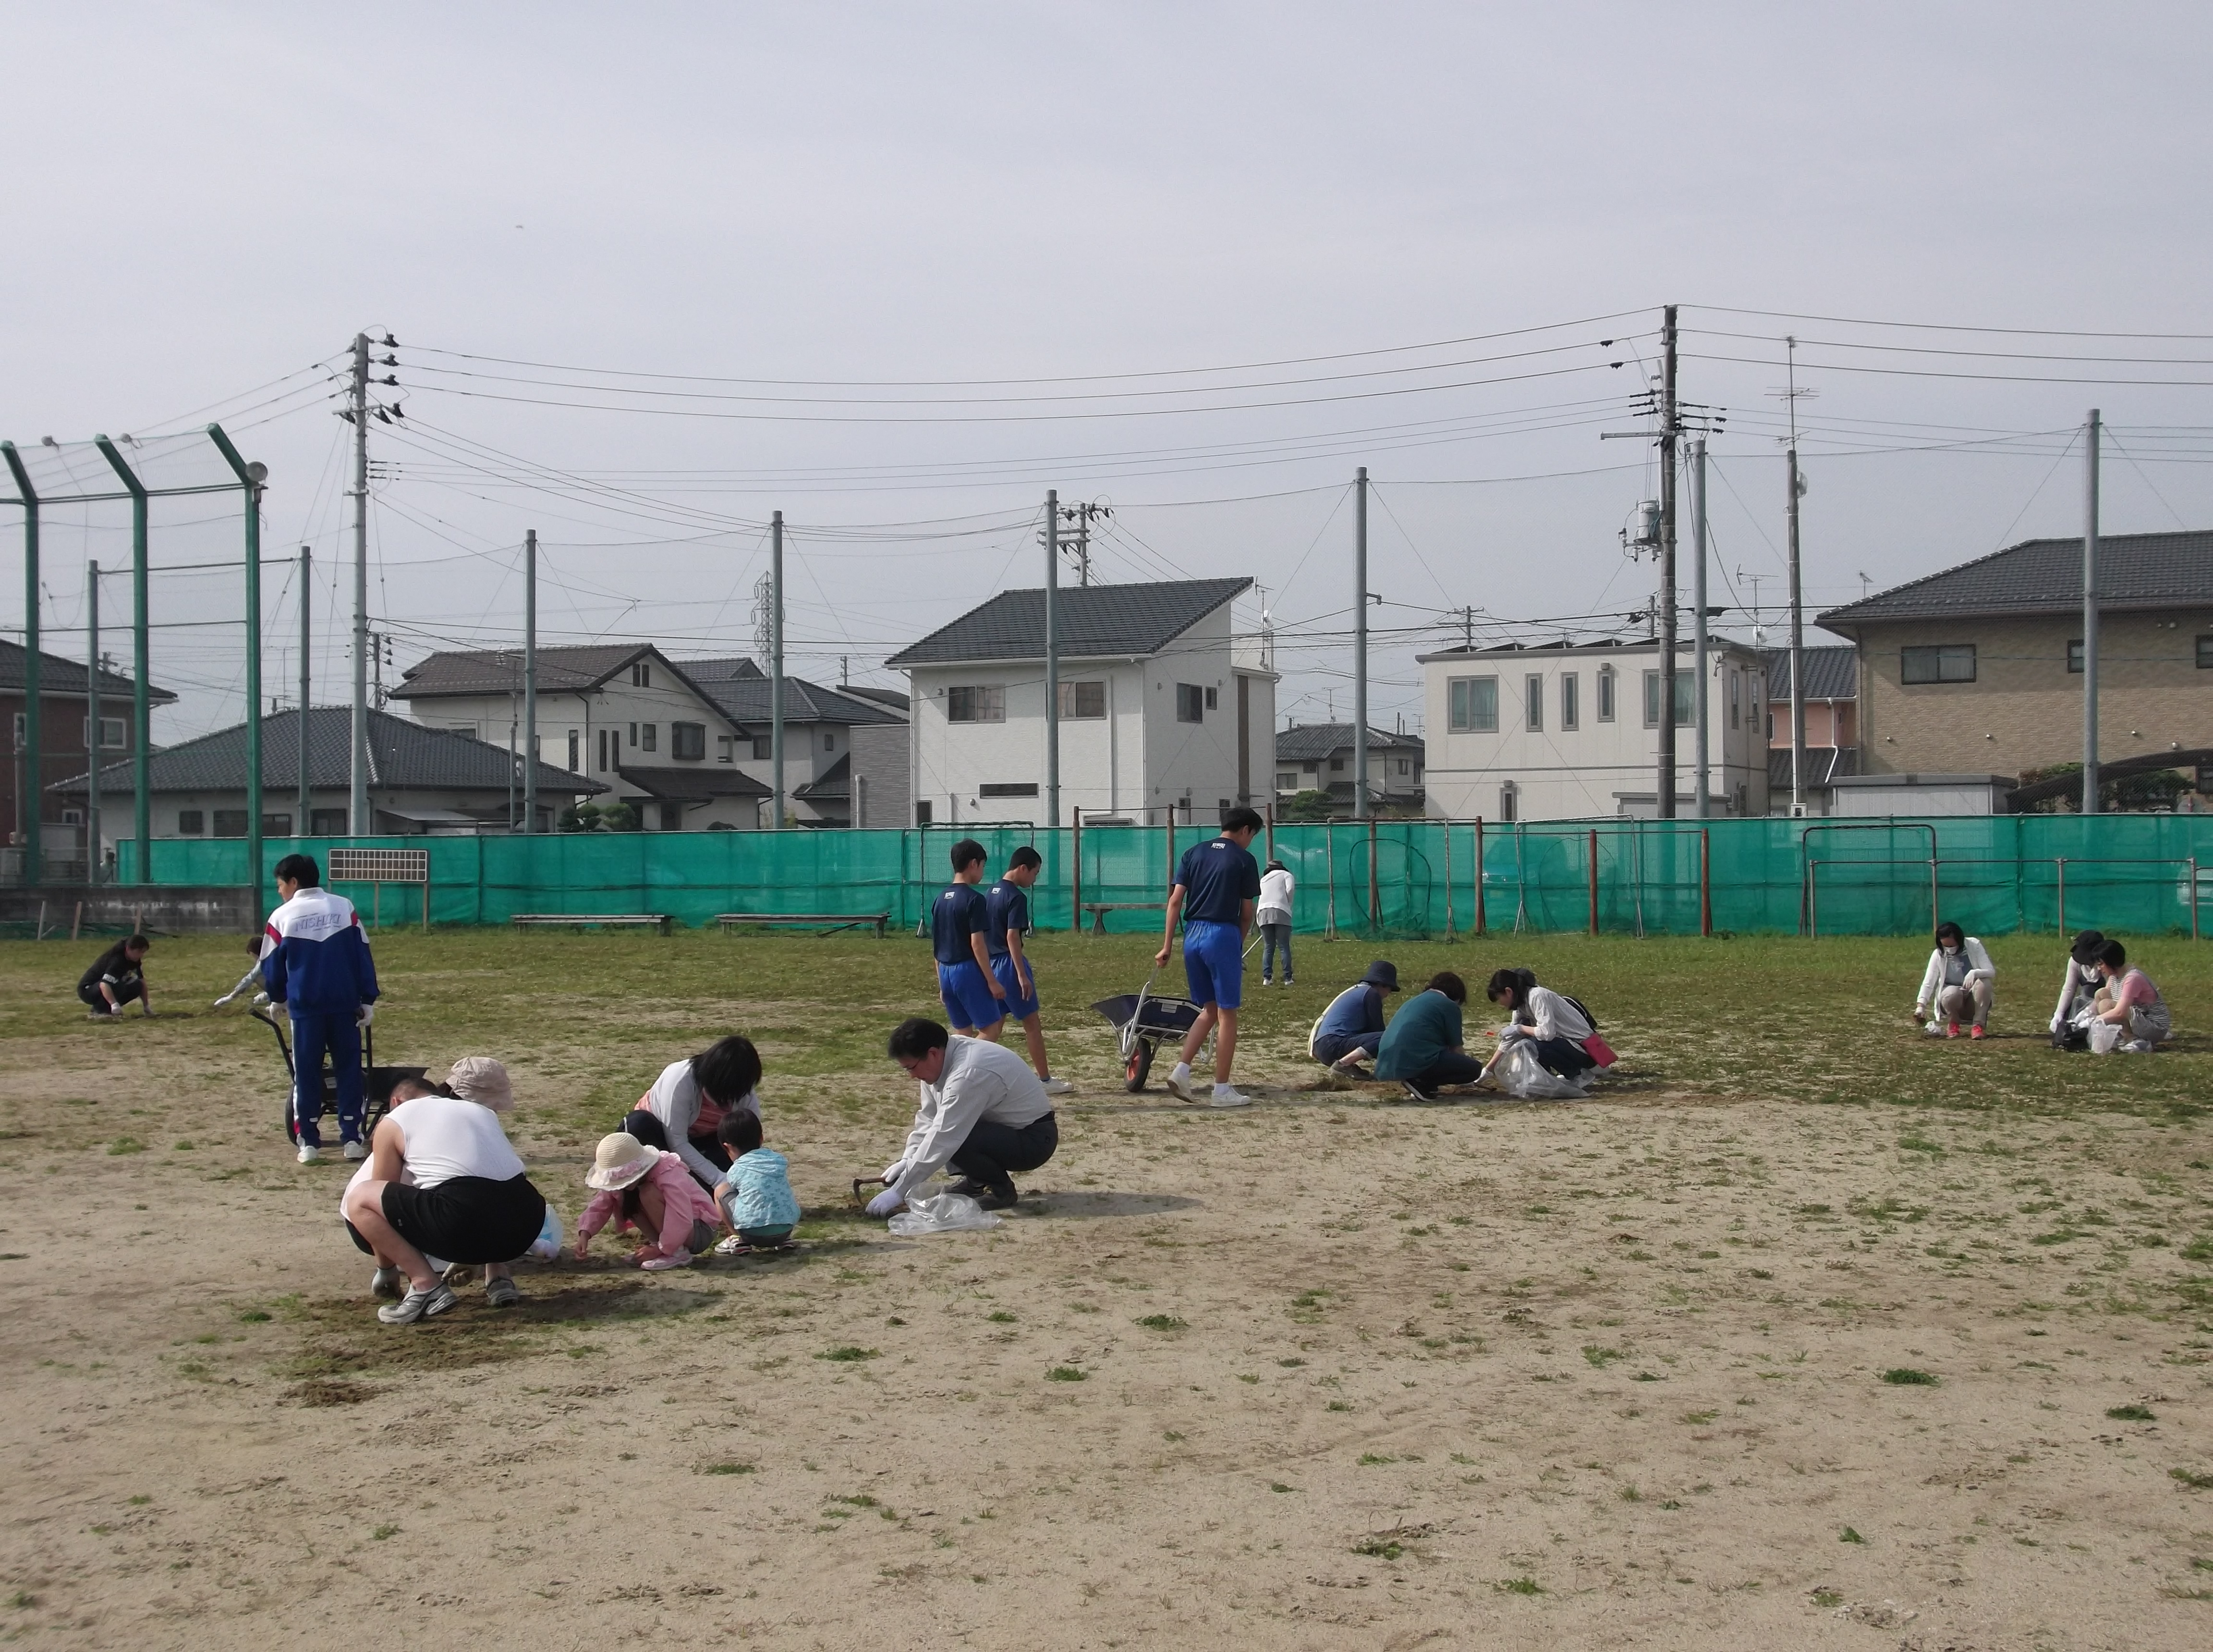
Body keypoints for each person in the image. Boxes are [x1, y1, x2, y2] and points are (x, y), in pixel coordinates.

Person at [340, 1062, 547, 1324]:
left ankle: (425, 1285)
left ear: (395, 1102)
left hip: (462, 1220)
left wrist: (387, 1269)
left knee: (361, 1198)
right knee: (490, 1188)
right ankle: (499, 1276)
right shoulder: (482, 1112)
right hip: (527, 1224)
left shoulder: (394, 1121)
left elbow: (380, 1196)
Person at [865, 1017, 1057, 1215]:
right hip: (1005, 1131)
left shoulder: (969, 1074)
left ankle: (1001, 1191)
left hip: (1035, 1140)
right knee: (953, 1130)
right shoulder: (941, 1061)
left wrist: (898, 1192)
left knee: (956, 1136)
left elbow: (944, 1136)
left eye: (911, 1068)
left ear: (933, 1053)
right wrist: (907, 1160)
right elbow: (929, 1119)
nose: (912, 1076)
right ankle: (976, 1182)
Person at [261, 853, 379, 1165]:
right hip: (345, 1005)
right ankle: (352, 1138)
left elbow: (271, 964)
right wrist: (368, 999)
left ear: (293, 882)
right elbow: (362, 953)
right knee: (349, 1071)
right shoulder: (344, 907)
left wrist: (278, 998)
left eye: (279, 885)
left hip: (306, 1009)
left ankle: (309, 1143)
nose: (279, 891)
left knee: (307, 1074)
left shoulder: (282, 916)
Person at [1154, 805, 1265, 1108]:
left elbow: (1175, 901)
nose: (1251, 841)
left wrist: (1167, 946)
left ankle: (1182, 1070)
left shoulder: (1193, 853)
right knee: (1228, 1013)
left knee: (1209, 1009)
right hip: (1222, 934)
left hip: (1192, 936)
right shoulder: (1244, 860)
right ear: (1246, 830)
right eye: (1253, 835)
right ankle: (1222, 1090)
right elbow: (1246, 914)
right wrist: (1236, 945)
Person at [622, 1035, 763, 1192]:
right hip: (660, 1140)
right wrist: (718, 1179)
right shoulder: (680, 1081)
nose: (731, 1101)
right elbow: (677, 1142)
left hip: (700, 1142)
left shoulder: (743, 1091)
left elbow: (750, 1142)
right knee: (639, 1124)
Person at [984, 846, 1071, 1093]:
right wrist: (1021, 974)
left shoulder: (989, 892)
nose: (1035, 879)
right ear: (1023, 869)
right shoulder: (1016, 897)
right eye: (1035, 873)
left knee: (993, 1028)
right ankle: (1045, 1081)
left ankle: (969, 1073)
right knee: (1032, 1024)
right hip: (1010, 964)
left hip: (990, 964)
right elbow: (1012, 936)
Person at [577, 1131, 723, 1271]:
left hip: (699, 1229)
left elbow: (681, 1216)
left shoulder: (667, 1173)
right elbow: (601, 1204)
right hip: (676, 1232)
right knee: (623, 1196)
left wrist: (660, 1249)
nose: (622, 1184)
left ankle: (676, 1252)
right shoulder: (623, 1186)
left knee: (648, 1193)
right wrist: (585, 1234)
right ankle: (664, 1246)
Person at [931, 838, 1008, 1038]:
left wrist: (941, 983)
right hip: (966, 971)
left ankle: (960, 1060)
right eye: (983, 866)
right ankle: (973, 1061)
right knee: (990, 1029)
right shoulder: (974, 899)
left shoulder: (940, 899)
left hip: (945, 971)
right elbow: (978, 943)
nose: (983, 872)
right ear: (974, 864)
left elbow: (937, 945)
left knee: (963, 1033)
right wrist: (992, 981)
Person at [1375, 971, 1481, 1100]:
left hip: (1386, 1062)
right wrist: (1467, 1074)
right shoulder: (1449, 1006)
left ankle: (1420, 1082)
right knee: (1474, 1068)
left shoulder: (1414, 1001)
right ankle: (1422, 1082)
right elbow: (1456, 1048)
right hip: (1415, 1059)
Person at [1485, 968, 1598, 1083]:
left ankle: (1578, 1075)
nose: (1501, 1004)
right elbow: (1509, 1039)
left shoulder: (1538, 996)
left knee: (1538, 1044)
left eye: (1499, 998)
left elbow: (1547, 1034)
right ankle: (1547, 1076)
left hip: (1586, 1050)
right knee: (1528, 1037)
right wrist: (1487, 1071)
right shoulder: (1520, 1005)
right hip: (1567, 1045)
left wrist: (1519, 1029)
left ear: (1509, 992)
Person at [712, 1109, 802, 1253]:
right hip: (786, 1229)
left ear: (727, 1147)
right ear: (761, 1138)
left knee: (721, 1189)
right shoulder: (777, 1161)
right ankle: (784, 1240)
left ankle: (738, 1239)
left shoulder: (737, 1168)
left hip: (752, 1234)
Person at [1310, 960, 1399, 1072]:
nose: (1388, 994)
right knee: (1388, 1037)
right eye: (1389, 989)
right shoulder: (1372, 994)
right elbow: (1378, 1031)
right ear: (1382, 985)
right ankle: (1343, 1065)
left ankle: (1345, 1066)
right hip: (1334, 1044)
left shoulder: (1356, 991)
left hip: (1323, 1046)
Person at [1912, 921, 1996, 1039]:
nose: (1949, 950)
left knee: (1985, 983)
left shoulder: (1975, 945)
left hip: (1973, 1000)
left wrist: (1974, 973)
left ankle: (1978, 1026)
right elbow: (1928, 982)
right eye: (1946, 946)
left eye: (1952, 946)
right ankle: (1953, 1024)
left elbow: (1991, 971)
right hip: (1953, 1001)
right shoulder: (1938, 955)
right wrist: (1920, 1007)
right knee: (1951, 993)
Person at [2090, 938, 2172, 1053]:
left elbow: (2120, 1012)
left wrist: (2094, 1021)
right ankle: (2120, 1034)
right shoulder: (2114, 976)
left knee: (2106, 1005)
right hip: (2139, 1019)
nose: (2099, 968)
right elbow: (2103, 996)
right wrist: (2084, 1018)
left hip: (2154, 1026)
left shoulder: (2132, 978)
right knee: (2101, 994)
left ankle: (2134, 1040)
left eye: (2101, 964)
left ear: (2111, 962)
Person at [2049, 929, 2109, 1049]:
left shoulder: (2106, 964)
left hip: (2103, 1003)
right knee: (2070, 1010)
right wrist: (2058, 1014)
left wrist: (2088, 1013)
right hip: (2085, 1003)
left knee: (2088, 990)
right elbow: (2069, 988)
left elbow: (2110, 990)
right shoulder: (2075, 962)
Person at [78, 934, 153, 1018]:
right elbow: (104, 984)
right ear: (128, 949)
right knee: (117, 984)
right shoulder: (117, 960)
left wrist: (146, 1006)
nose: (141, 955)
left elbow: (142, 981)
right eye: (139, 952)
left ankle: (107, 1009)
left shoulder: (135, 960)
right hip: (87, 990)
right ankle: (100, 1011)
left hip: (107, 985)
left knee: (137, 985)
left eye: (143, 952)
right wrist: (114, 1004)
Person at [1257, 858, 1296, 986]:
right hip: (1281, 910)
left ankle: (1267, 978)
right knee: (1284, 946)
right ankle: (1288, 978)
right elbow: (1290, 890)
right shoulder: (1287, 875)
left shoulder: (1264, 879)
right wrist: (1288, 904)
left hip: (1263, 911)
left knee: (1269, 946)